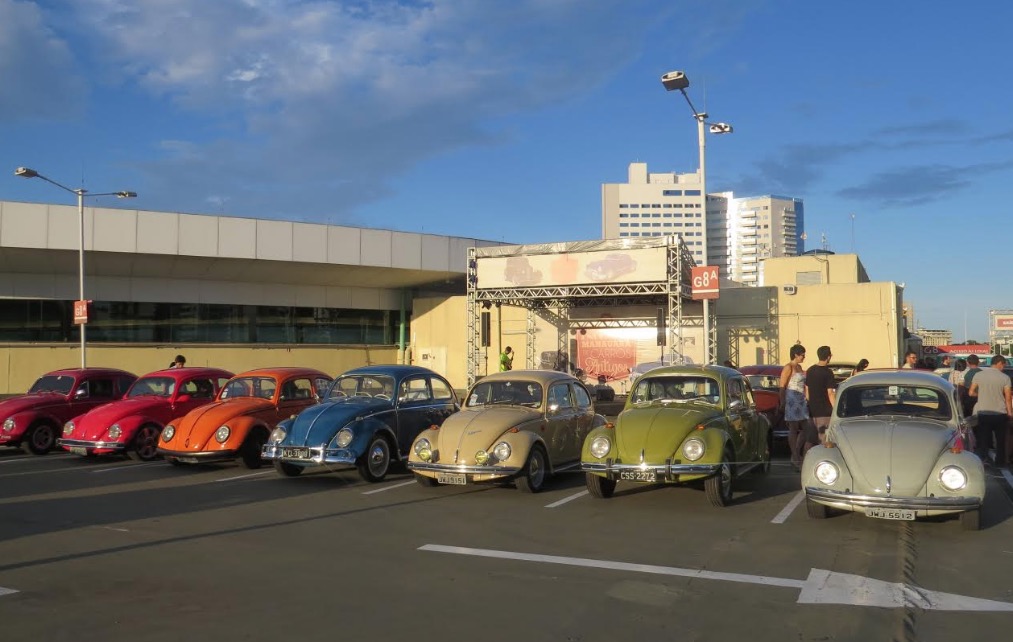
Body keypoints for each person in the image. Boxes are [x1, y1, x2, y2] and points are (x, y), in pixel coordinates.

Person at [968, 354, 1012, 467]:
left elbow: (971, 392)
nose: (1003, 368)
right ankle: (1000, 461)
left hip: (983, 412)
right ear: (999, 363)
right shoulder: (1005, 378)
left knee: (983, 438)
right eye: (1003, 365)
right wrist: (1010, 414)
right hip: (999, 413)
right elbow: (1008, 398)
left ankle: (984, 460)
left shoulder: (979, 375)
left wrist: (981, 394)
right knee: (1000, 439)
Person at [779, 344, 809, 469]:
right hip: (791, 400)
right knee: (793, 428)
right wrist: (782, 402)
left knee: (806, 428)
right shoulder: (788, 367)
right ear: (796, 354)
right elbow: (782, 386)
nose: (804, 357)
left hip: (801, 400)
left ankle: (795, 452)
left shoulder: (800, 367)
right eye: (802, 354)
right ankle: (795, 456)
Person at [805, 345, 837, 447]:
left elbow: (807, 389)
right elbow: (830, 393)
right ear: (828, 357)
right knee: (824, 439)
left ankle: (804, 460)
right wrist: (835, 408)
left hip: (812, 411)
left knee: (810, 439)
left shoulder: (810, 370)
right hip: (825, 411)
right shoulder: (828, 372)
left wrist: (810, 404)